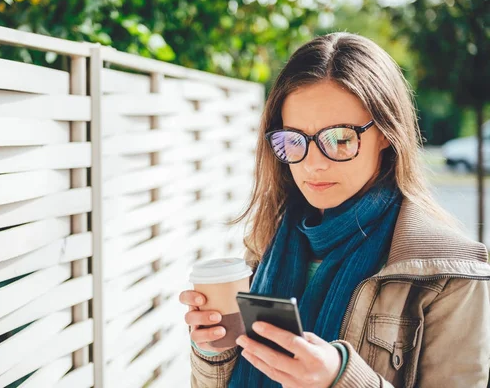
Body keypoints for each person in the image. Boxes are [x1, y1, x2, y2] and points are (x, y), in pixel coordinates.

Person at [179, 32, 490, 388]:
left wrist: (340, 379)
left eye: (340, 139)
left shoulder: (449, 271)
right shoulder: (266, 243)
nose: (313, 164)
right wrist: (213, 350)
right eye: (293, 140)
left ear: (387, 133)